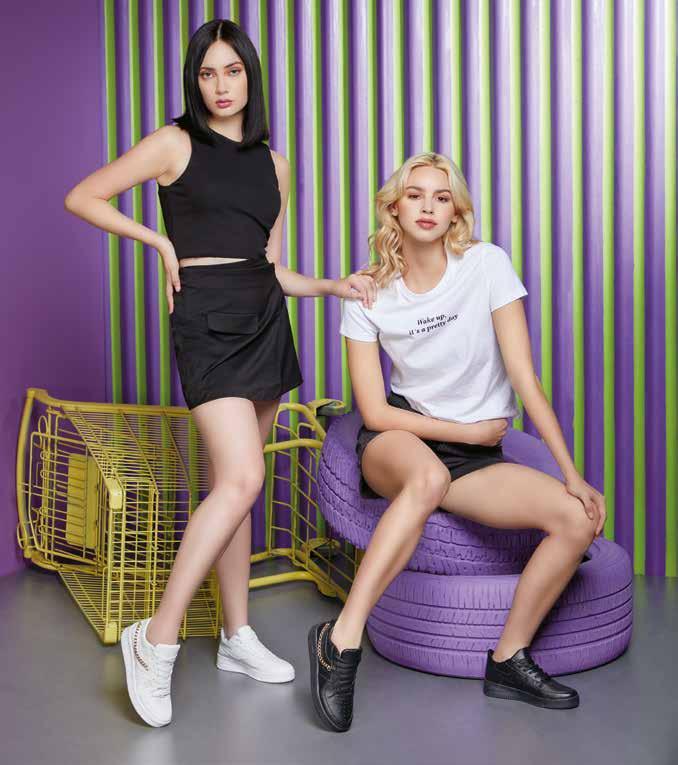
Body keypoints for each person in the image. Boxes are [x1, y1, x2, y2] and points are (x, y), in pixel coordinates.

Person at [64, 19, 375, 728]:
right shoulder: (173, 143)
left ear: (250, 76)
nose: (221, 85)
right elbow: (83, 196)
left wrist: (331, 285)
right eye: (207, 73)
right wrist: (158, 242)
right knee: (242, 478)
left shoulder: (275, 163)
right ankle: (156, 638)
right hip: (205, 319)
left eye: (232, 70)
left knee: (236, 488)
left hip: (264, 318)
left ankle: (236, 635)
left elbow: (271, 265)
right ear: (194, 81)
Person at [307, 152, 606, 732]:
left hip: (475, 456)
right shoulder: (367, 292)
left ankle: (508, 660)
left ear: (455, 212)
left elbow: (524, 378)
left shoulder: (487, 265)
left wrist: (573, 475)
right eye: (414, 194)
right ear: (395, 207)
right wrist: (465, 431)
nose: (427, 206)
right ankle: (340, 642)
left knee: (577, 519)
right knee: (428, 476)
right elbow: (374, 410)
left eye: (441, 197)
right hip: (399, 435)